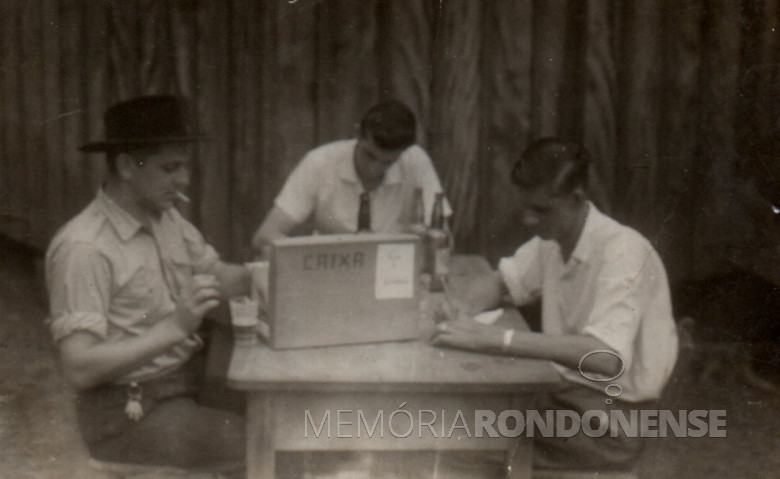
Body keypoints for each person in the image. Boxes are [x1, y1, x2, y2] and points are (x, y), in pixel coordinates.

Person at [431, 137, 679, 472]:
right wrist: (461, 309)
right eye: (526, 207)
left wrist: (498, 340)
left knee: (460, 442)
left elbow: (607, 358)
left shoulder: (622, 251)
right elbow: (503, 280)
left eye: (541, 210)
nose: (529, 220)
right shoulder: (555, 237)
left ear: (577, 199)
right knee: (455, 419)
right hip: (565, 396)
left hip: (613, 421)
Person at [45, 96, 249, 476]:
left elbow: (216, 275)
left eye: (185, 167)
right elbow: (79, 368)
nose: (184, 181)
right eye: (170, 168)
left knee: (288, 410)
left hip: (183, 385)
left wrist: (267, 273)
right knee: (265, 439)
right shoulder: (85, 248)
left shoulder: (165, 217)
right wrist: (174, 328)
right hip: (127, 413)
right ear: (126, 165)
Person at [251, 100, 451, 254]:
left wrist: (432, 242)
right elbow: (264, 237)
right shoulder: (320, 162)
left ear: (405, 151)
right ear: (357, 134)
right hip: (332, 274)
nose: (375, 169)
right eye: (370, 155)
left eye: (388, 162)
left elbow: (444, 239)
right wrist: (311, 257)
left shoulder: (415, 161)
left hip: (394, 276)